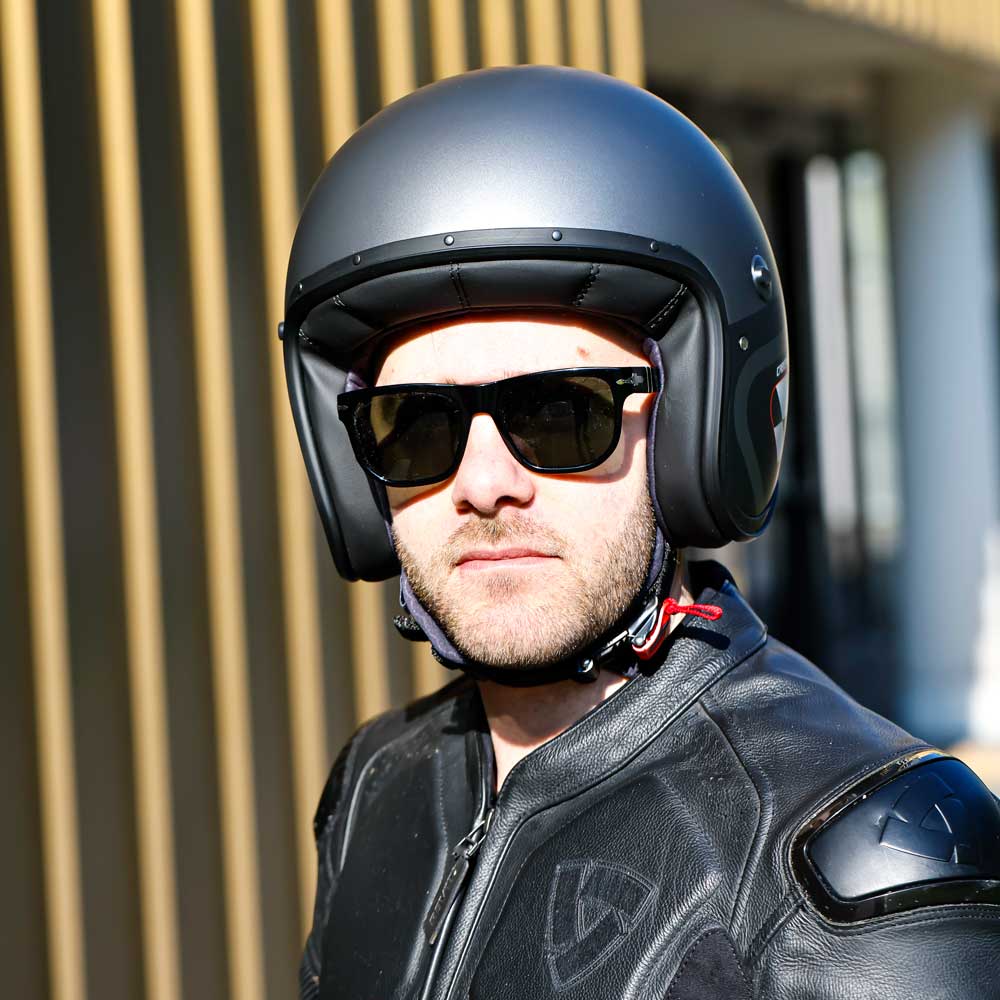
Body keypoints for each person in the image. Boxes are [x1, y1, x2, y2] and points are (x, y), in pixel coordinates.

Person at [281, 66, 1000, 1000]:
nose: (484, 484)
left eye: (558, 411)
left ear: (697, 431)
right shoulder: (378, 784)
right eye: (413, 423)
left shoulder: (865, 861)